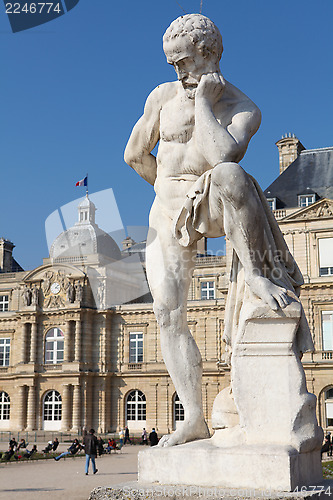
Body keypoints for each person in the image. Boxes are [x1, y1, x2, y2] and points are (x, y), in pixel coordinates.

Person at [124, 13, 313, 448]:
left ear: (209, 54)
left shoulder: (243, 108)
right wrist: (168, 190)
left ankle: (258, 274)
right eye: (172, 63)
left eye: (185, 62)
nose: (178, 72)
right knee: (166, 313)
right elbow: (135, 154)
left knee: (229, 174)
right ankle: (193, 417)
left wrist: (204, 105)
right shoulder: (162, 97)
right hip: (168, 207)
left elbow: (223, 152)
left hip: (211, 196)